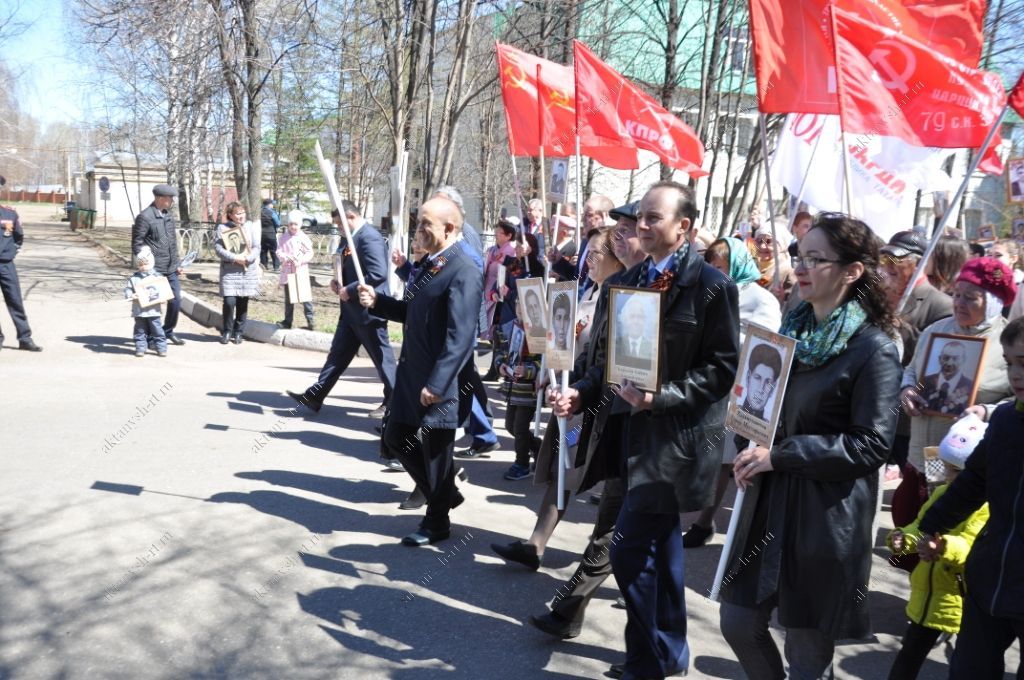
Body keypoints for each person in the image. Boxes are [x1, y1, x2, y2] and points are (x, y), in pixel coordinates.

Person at [551, 181, 740, 679]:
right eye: (640, 218)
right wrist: (581, 393)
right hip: (625, 432)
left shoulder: (713, 288)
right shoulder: (626, 281)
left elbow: (722, 369)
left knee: (631, 547)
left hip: (675, 441)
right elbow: (609, 360)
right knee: (660, 548)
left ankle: (649, 659)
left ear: (685, 227)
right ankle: (669, 653)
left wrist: (664, 397)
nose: (642, 226)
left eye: (654, 218)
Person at [720, 213, 902, 679]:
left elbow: (871, 444)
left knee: (805, 649)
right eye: (799, 255)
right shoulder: (788, 335)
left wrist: (779, 455)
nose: (800, 267)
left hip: (824, 514)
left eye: (816, 259)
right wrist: (745, 424)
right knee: (738, 621)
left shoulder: (873, 348)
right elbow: (762, 413)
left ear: (852, 271)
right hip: (768, 500)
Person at [356, 195, 482, 547]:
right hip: (413, 374)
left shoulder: (464, 269)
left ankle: (436, 522)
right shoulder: (433, 263)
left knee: (438, 454)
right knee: (396, 437)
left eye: (426, 223)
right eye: (419, 221)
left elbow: (461, 337)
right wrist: (378, 302)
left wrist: (439, 383)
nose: (419, 229)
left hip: (440, 381)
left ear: (449, 227)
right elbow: (413, 312)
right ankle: (443, 497)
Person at [915, 317, 1024, 677]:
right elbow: (973, 482)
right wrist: (930, 527)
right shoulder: (1006, 420)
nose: (1015, 374)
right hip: (990, 576)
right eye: (1009, 363)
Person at [682, 236, 781, 549]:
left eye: (720, 265)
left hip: (739, 389)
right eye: (710, 264)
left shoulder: (761, 300)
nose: (714, 270)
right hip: (704, 382)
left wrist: (721, 337)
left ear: (737, 265)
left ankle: (706, 520)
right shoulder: (708, 292)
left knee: (725, 458)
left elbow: (763, 347)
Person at [886, 414, 990, 680]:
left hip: (959, 599)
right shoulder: (943, 493)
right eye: (946, 468)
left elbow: (971, 546)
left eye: (956, 471)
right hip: (927, 597)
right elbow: (920, 528)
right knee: (908, 656)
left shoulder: (986, 507)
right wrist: (901, 539)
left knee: (967, 664)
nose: (948, 477)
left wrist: (943, 546)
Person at [900, 258, 1016, 484]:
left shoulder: (1009, 341)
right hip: (921, 453)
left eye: (970, 298)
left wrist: (986, 411)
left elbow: (1018, 399)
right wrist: (907, 390)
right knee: (911, 514)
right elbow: (912, 370)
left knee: (946, 513)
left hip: (969, 464)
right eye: (956, 295)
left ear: (993, 302)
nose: (959, 303)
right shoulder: (935, 331)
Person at [287, 201, 396, 418]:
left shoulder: (369, 237)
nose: (337, 228)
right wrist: (337, 282)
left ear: (351, 217)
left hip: (368, 310)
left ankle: (395, 402)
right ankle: (315, 396)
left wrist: (351, 289)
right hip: (350, 311)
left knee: (383, 360)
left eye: (339, 224)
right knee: (337, 355)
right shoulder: (351, 237)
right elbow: (345, 264)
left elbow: (378, 274)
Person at [132, 183, 184, 346]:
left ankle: (167, 331)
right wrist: (146, 265)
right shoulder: (145, 217)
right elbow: (137, 245)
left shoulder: (168, 216)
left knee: (176, 301)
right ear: (161, 199)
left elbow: (172, 243)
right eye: (170, 198)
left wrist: (177, 264)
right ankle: (149, 338)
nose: (172, 201)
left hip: (171, 268)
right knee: (151, 305)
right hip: (153, 270)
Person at [213, 202, 260, 345]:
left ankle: (239, 332)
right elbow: (218, 248)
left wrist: (249, 258)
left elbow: (257, 246)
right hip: (230, 270)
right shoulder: (222, 228)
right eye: (238, 213)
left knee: (242, 302)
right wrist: (235, 258)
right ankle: (227, 330)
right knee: (229, 301)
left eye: (243, 212)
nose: (241, 216)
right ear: (230, 215)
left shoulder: (250, 226)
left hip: (247, 269)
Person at [0, 204, 41, 352]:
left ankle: (25, 339)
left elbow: (18, 236)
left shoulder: (9, 213)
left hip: (6, 264)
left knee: (15, 300)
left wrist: (11, 252)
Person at [124, 246, 167, 357]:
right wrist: (131, 295)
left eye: (145, 264)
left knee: (157, 330)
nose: (143, 267)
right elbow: (128, 289)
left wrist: (163, 298)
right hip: (139, 311)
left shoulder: (157, 277)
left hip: (154, 311)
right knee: (139, 331)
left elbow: (163, 290)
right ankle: (140, 348)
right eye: (140, 264)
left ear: (151, 263)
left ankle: (161, 348)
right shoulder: (134, 278)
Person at [276, 210, 314, 330]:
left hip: (300, 271)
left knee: (305, 298)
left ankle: (310, 321)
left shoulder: (304, 238)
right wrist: (285, 257)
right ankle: (287, 321)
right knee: (289, 299)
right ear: (288, 225)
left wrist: (301, 260)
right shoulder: (283, 238)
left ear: (300, 225)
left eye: (296, 224)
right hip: (288, 272)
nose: (293, 227)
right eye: (291, 224)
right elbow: (279, 251)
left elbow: (309, 252)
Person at [483, 220, 518, 336]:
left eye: (499, 234)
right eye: (495, 233)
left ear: (509, 236)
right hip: (488, 287)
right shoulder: (492, 249)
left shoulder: (511, 252)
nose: (496, 236)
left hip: (499, 289)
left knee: (494, 318)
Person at [919, 341, 974, 414]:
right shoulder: (925, 381)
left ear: (963, 360)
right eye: (946, 358)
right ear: (939, 359)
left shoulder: (970, 386)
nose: (949, 363)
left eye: (955, 358)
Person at [753, 221, 797, 305]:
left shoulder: (789, 270)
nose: (762, 246)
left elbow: (795, 306)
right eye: (759, 241)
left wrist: (782, 299)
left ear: (782, 245)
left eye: (769, 241)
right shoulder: (752, 267)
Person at [738, 343, 782, 421]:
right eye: (757, 378)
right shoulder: (730, 412)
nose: (761, 389)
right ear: (748, 378)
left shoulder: (768, 426)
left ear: (772, 388)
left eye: (768, 382)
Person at [613, 294, 654, 370]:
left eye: (640, 317)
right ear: (625, 319)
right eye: (632, 316)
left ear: (645, 320)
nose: (636, 321)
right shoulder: (616, 345)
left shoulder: (652, 348)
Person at [260, 198, 280, 271]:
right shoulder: (272, 212)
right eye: (272, 204)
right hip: (271, 234)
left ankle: (264, 266)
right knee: (274, 251)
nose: (272, 205)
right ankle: (276, 267)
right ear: (269, 204)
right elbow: (278, 224)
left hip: (261, 234)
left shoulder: (259, 212)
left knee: (263, 251)